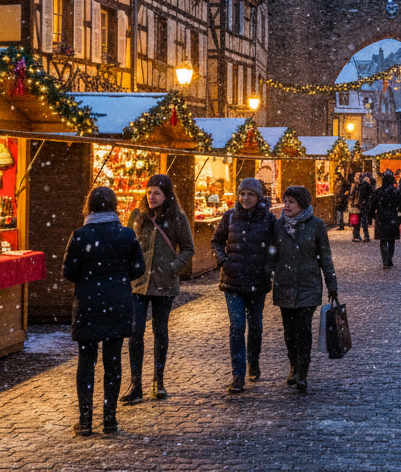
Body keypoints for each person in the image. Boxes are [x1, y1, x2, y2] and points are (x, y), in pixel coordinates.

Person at [63, 186, 145, 436]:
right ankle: (109, 419)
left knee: (86, 361)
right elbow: (139, 268)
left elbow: (69, 272)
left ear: (89, 206)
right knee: (113, 361)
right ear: (114, 205)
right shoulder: (127, 235)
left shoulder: (79, 236)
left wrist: (89, 279)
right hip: (117, 302)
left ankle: (85, 420)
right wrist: (119, 278)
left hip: (88, 304)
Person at [122, 174, 194, 405]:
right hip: (139, 282)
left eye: (157, 193)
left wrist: (174, 267)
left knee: (160, 331)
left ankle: (158, 381)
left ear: (166, 195)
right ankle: (136, 384)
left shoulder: (177, 218)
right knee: (135, 332)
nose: (151, 197)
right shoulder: (137, 216)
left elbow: (188, 249)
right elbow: (126, 244)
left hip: (165, 282)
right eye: (149, 191)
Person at [267, 185, 338, 394]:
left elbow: (325, 256)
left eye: (291, 201)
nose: (286, 205)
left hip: (308, 285)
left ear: (302, 204)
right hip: (285, 284)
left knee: (303, 329)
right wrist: (266, 275)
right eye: (285, 201)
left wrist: (332, 285)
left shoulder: (317, 225)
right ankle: (293, 367)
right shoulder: (279, 226)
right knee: (289, 332)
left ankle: (302, 373)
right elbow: (272, 254)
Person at [211, 178, 276, 394]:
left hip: (257, 281)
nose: (245, 198)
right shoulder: (230, 216)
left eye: (250, 194)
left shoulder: (268, 219)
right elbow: (216, 241)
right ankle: (238, 374)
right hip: (232, 281)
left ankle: (253, 361)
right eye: (242, 194)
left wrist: (268, 266)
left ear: (258, 197)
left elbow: (275, 246)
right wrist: (223, 261)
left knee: (255, 325)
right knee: (237, 327)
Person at [367, 171, 401, 268]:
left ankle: (385, 261)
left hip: (381, 218)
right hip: (393, 218)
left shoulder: (378, 192)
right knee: (391, 240)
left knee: (383, 241)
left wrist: (371, 217)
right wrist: (400, 218)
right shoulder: (396, 192)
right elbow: (400, 207)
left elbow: (372, 206)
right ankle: (389, 259)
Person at [352, 173, 374, 243]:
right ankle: (358, 236)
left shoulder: (362, 185)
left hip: (362, 205)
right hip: (359, 205)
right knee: (358, 222)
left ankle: (361, 236)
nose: (356, 178)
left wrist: (366, 201)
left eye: (357, 176)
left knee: (361, 222)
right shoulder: (357, 185)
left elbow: (371, 193)